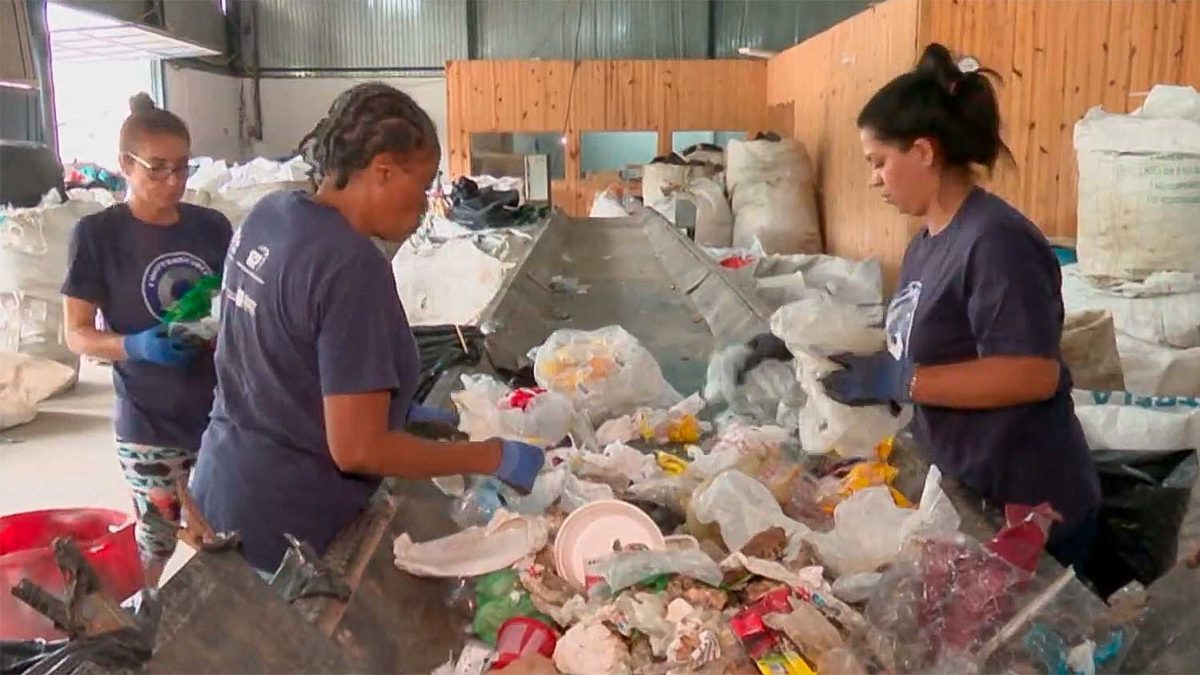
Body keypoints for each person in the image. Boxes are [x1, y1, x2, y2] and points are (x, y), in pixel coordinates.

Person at [743, 44, 1101, 569]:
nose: (873, 179)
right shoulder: (927, 244)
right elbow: (924, 341)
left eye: (879, 162)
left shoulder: (995, 241)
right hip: (965, 493)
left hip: (1025, 508)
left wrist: (904, 383)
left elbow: (1032, 374)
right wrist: (815, 349)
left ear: (924, 152)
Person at [189, 83, 545, 575]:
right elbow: (358, 450)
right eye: (420, 187)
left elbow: (279, 356)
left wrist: (397, 406)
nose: (424, 205)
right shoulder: (350, 265)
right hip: (287, 526)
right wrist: (489, 455)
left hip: (222, 488)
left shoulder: (272, 216)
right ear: (382, 169)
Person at [62, 93, 233, 584]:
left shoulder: (211, 227)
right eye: (158, 169)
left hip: (220, 411)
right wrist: (136, 345)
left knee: (227, 527)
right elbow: (76, 334)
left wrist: (222, 330)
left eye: (183, 167)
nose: (174, 181)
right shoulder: (98, 236)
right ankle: (141, 629)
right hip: (149, 421)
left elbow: (235, 302)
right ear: (124, 165)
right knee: (157, 537)